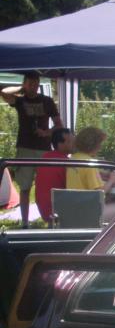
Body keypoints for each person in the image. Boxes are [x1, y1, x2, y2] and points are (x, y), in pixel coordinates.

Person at [1, 71, 63, 227]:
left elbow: (58, 125)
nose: (33, 87)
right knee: (25, 187)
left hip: (44, 148)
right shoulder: (20, 101)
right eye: (30, 84)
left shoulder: (47, 101)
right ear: (25, 84)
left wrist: (46, 133)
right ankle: (25, 223)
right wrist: (21, 88)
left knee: (48, 187)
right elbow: (3, 92)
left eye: (36, 84)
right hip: (25, 148)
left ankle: (52, 220)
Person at [36, 127, 75, 223]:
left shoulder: (45, 157)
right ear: (60, 144)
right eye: (70, 141)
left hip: (44, 209)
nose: (74, 144)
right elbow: (76, 186)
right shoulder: (66, 162)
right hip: (57, 211)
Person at [67, 126, 115, 193]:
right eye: (100, 143)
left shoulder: (73, 158)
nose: (100, 147)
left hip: (73, 199)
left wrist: (99, 173)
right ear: (95, 145)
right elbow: (98, 193)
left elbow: (82, 176)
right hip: (86, 200)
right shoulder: (90, 164)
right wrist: (111, 180)